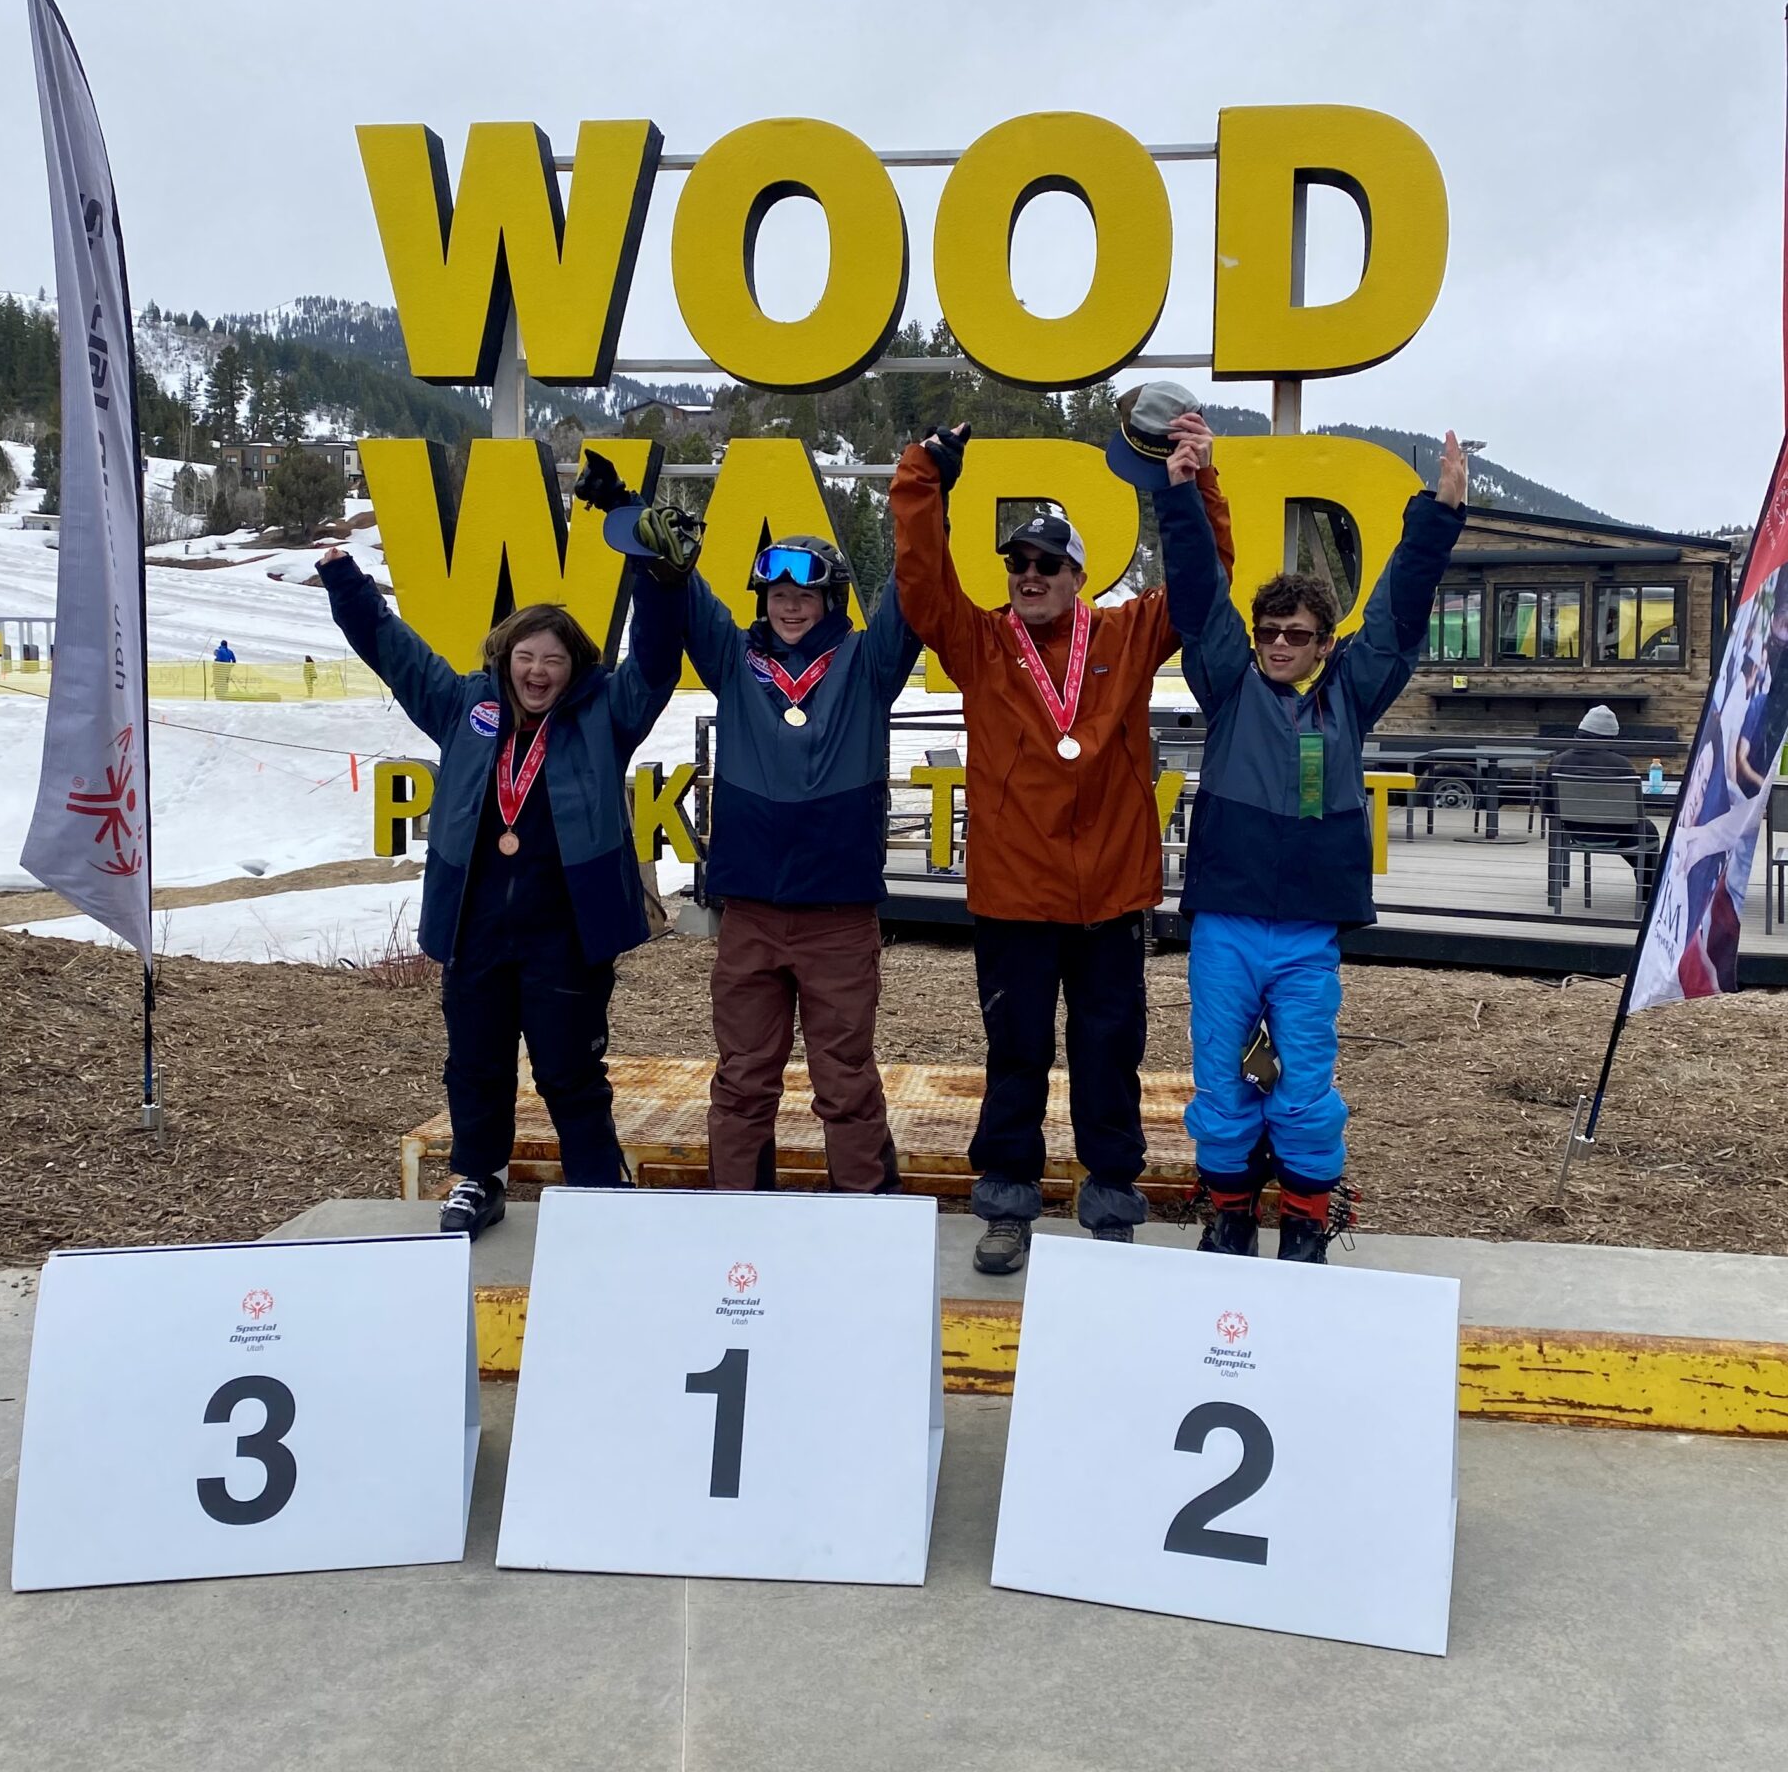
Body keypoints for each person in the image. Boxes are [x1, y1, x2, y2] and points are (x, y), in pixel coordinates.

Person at [886, 389, 1233, 1274]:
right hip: (1014, 900)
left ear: (1081, 575)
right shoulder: (979, 644)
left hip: (1112, 895)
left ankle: (1112, 1200)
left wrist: (1196, 483)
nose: (1029, 576)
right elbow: (921, 583)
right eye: (1018, 565)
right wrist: (924, 476)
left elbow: (1207, 580)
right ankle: (1007, 1202)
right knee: (1016, 1055)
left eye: (1047, 563)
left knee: (1110, 1053)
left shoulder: (1128, 632)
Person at [317, 510, 693, 1236]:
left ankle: (595, 1186)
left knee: (569, 1071)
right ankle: (476, 1179)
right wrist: (344, 579)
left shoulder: (605, 713)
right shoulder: (464, 706)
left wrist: (660, 577)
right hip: (477, 925)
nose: (538, 671)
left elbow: (654, 662)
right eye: (526, 656)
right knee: (476, 1064)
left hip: (567, 932)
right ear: (505, 657)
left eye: (553, 659)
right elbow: (394, 650)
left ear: (574, 666)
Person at [1157, 424, 1468, 1261]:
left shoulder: (1351, 697)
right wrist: (1179, 495)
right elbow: (1194, 595)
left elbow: (1400, 616)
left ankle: (1302, 1221)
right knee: (1223, 1078)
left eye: (1299, 634)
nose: (1282, 645)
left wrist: (1438, 517)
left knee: (1302, 1087)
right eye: (1270, 633)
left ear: (1326, 644)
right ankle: (1226, 1214)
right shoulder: (1226, 685)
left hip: (1306, 937)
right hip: (1226, 923)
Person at [613, 441, 923, 1195]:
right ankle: (737, 1220)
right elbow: (675, 579)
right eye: (777, 595)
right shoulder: (732, 660)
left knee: (843, 1079)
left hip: (838, 918)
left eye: (806, 596)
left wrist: (929, 491)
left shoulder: (866, 665)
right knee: (744, 1076)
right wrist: (631, 507)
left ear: (831, 602)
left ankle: (866, 1215)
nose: (789, 606)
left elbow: (916, 590)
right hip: (749, 912)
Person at [1547, 703, 1659, 905]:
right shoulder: (1621, 765)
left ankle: (1555, 896)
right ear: (1611, 737)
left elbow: (1547, 808)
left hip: (1576, 833)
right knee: (1648, 831)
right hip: (1617, 834)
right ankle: (1648, 894)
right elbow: (1635, 811)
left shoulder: (1558, 762)